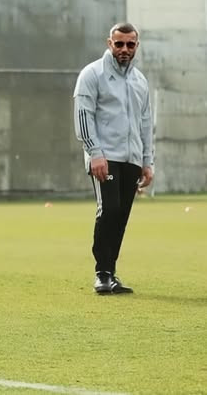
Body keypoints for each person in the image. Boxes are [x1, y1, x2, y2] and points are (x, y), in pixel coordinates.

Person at [73, 22, 154, 295]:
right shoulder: (92, 74)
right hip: (104, 158)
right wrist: (94, 153)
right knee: (108, 209)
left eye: (130, 44)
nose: (124, 49)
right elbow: (83, 115)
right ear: (110, 43)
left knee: (121, 215)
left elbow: (145, 123)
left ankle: (111, 272)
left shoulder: (140, 81)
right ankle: (102, 273)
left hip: (132, 159)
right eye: (119, 44)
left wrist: (147, 161)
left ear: (136, 46)